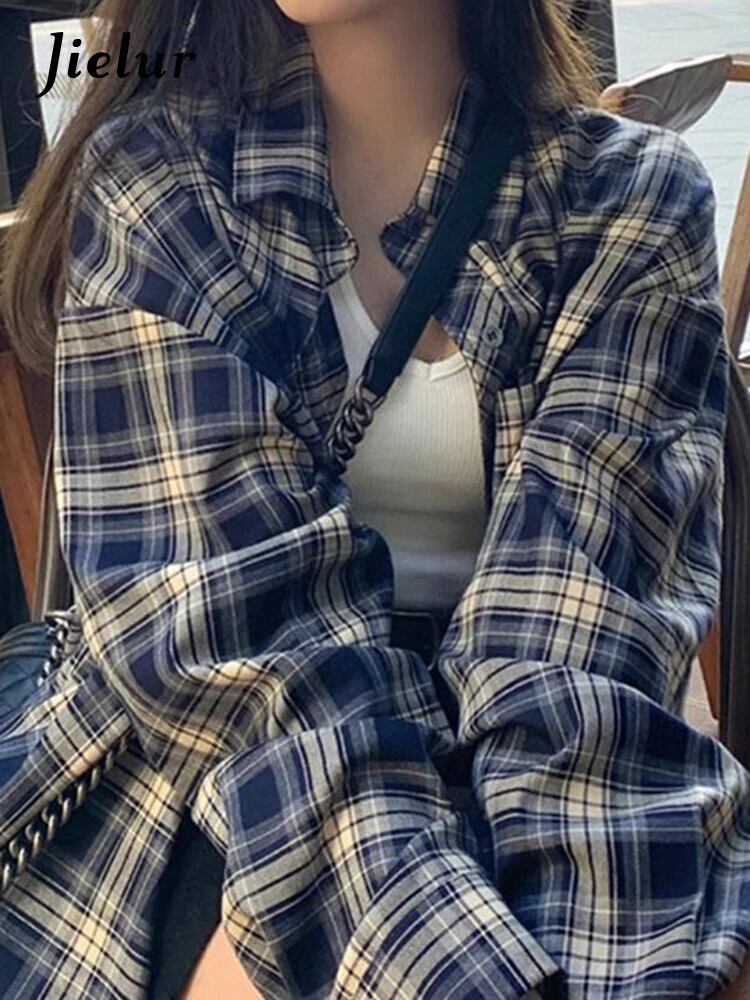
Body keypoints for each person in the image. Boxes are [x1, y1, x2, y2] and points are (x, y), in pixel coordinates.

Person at [1, 1, 749, 997]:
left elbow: (582, 647)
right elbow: (252, 665)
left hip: (540, 761)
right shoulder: (161, 184)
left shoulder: (633, 199)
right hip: (222, 772)